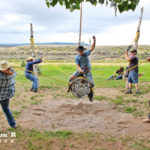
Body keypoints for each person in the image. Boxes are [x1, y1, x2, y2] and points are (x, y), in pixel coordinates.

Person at [68, 36, 96, 102]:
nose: (80, 52)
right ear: (78, 51)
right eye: (79, 51)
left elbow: (93, 47)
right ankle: (70, 88)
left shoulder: (86, 54)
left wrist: (94, 40)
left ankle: (90, 96)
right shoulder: (76, 57)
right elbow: (77, 65)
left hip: (87, 71)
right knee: (70, 78)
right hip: (80, 70)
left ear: (83, 51)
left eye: (81, 51)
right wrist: (80, 70)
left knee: (91, 84)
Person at [0, 61, 16, 128]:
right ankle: (12, 124)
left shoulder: (1, 77)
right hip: (6, 96)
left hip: (2, 96)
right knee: (6, 109)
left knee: (6, 109)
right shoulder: (12, 74)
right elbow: (14, 72)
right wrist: (9, 68)